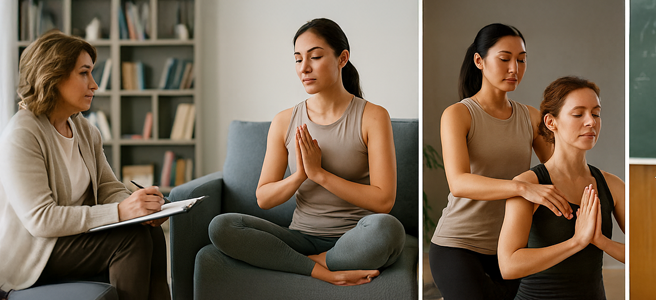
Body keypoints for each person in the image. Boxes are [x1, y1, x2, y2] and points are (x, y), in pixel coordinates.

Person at [207, 18, 405, 286]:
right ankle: (323, 268)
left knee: (387, 230)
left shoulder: (372, 117)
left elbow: (384, 201)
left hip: (356, 236)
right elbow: (264, 197)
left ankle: (304, 262)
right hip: (300, 237)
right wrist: (300, 175)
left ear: (342, 58)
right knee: (222, 226)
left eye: (315, 57)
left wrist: (319, 174)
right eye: (298, 59)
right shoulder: (284, 121)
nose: (304, 68)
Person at [0, 31, 170, 300]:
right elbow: (41, 220)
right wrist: (119, 212)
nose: (95, 84)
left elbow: (108, 188)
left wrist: (139, 207)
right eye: (84, 73)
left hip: (75, 239)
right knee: (130, 239)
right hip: (35, 254)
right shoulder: (21, 134)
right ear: (53, 75)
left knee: (149, 231)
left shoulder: (83, 128)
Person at [429, 23, 568, 300]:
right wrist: (521, 188)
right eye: (504, 59)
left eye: (521, 60)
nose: (514, 68)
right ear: (479, 61)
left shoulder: (530, 116)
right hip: (457, 245)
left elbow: (559, 170)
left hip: (512, 248)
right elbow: (459, 183)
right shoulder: (458, 115)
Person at [498, 76, 625, 300]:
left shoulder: (612, 185)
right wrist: (576, 242)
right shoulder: (529, 185)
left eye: (595, 113)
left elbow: (643, 253)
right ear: (550, 122)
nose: (591, 122)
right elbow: (508, 266)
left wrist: (600, 241)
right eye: (578, 114)